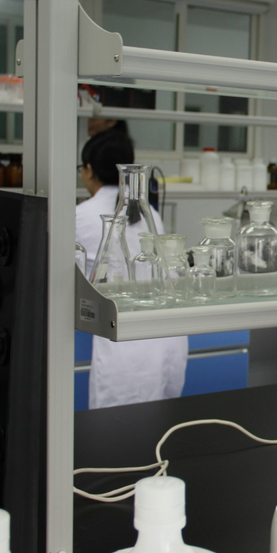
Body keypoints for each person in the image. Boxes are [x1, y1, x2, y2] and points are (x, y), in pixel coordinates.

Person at [75, 130, 188, 409]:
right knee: (156, 426)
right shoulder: (150, 214)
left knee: (116, 432)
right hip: (162, 338)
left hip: (123, 343)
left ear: (89, 170)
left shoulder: (82, 216)